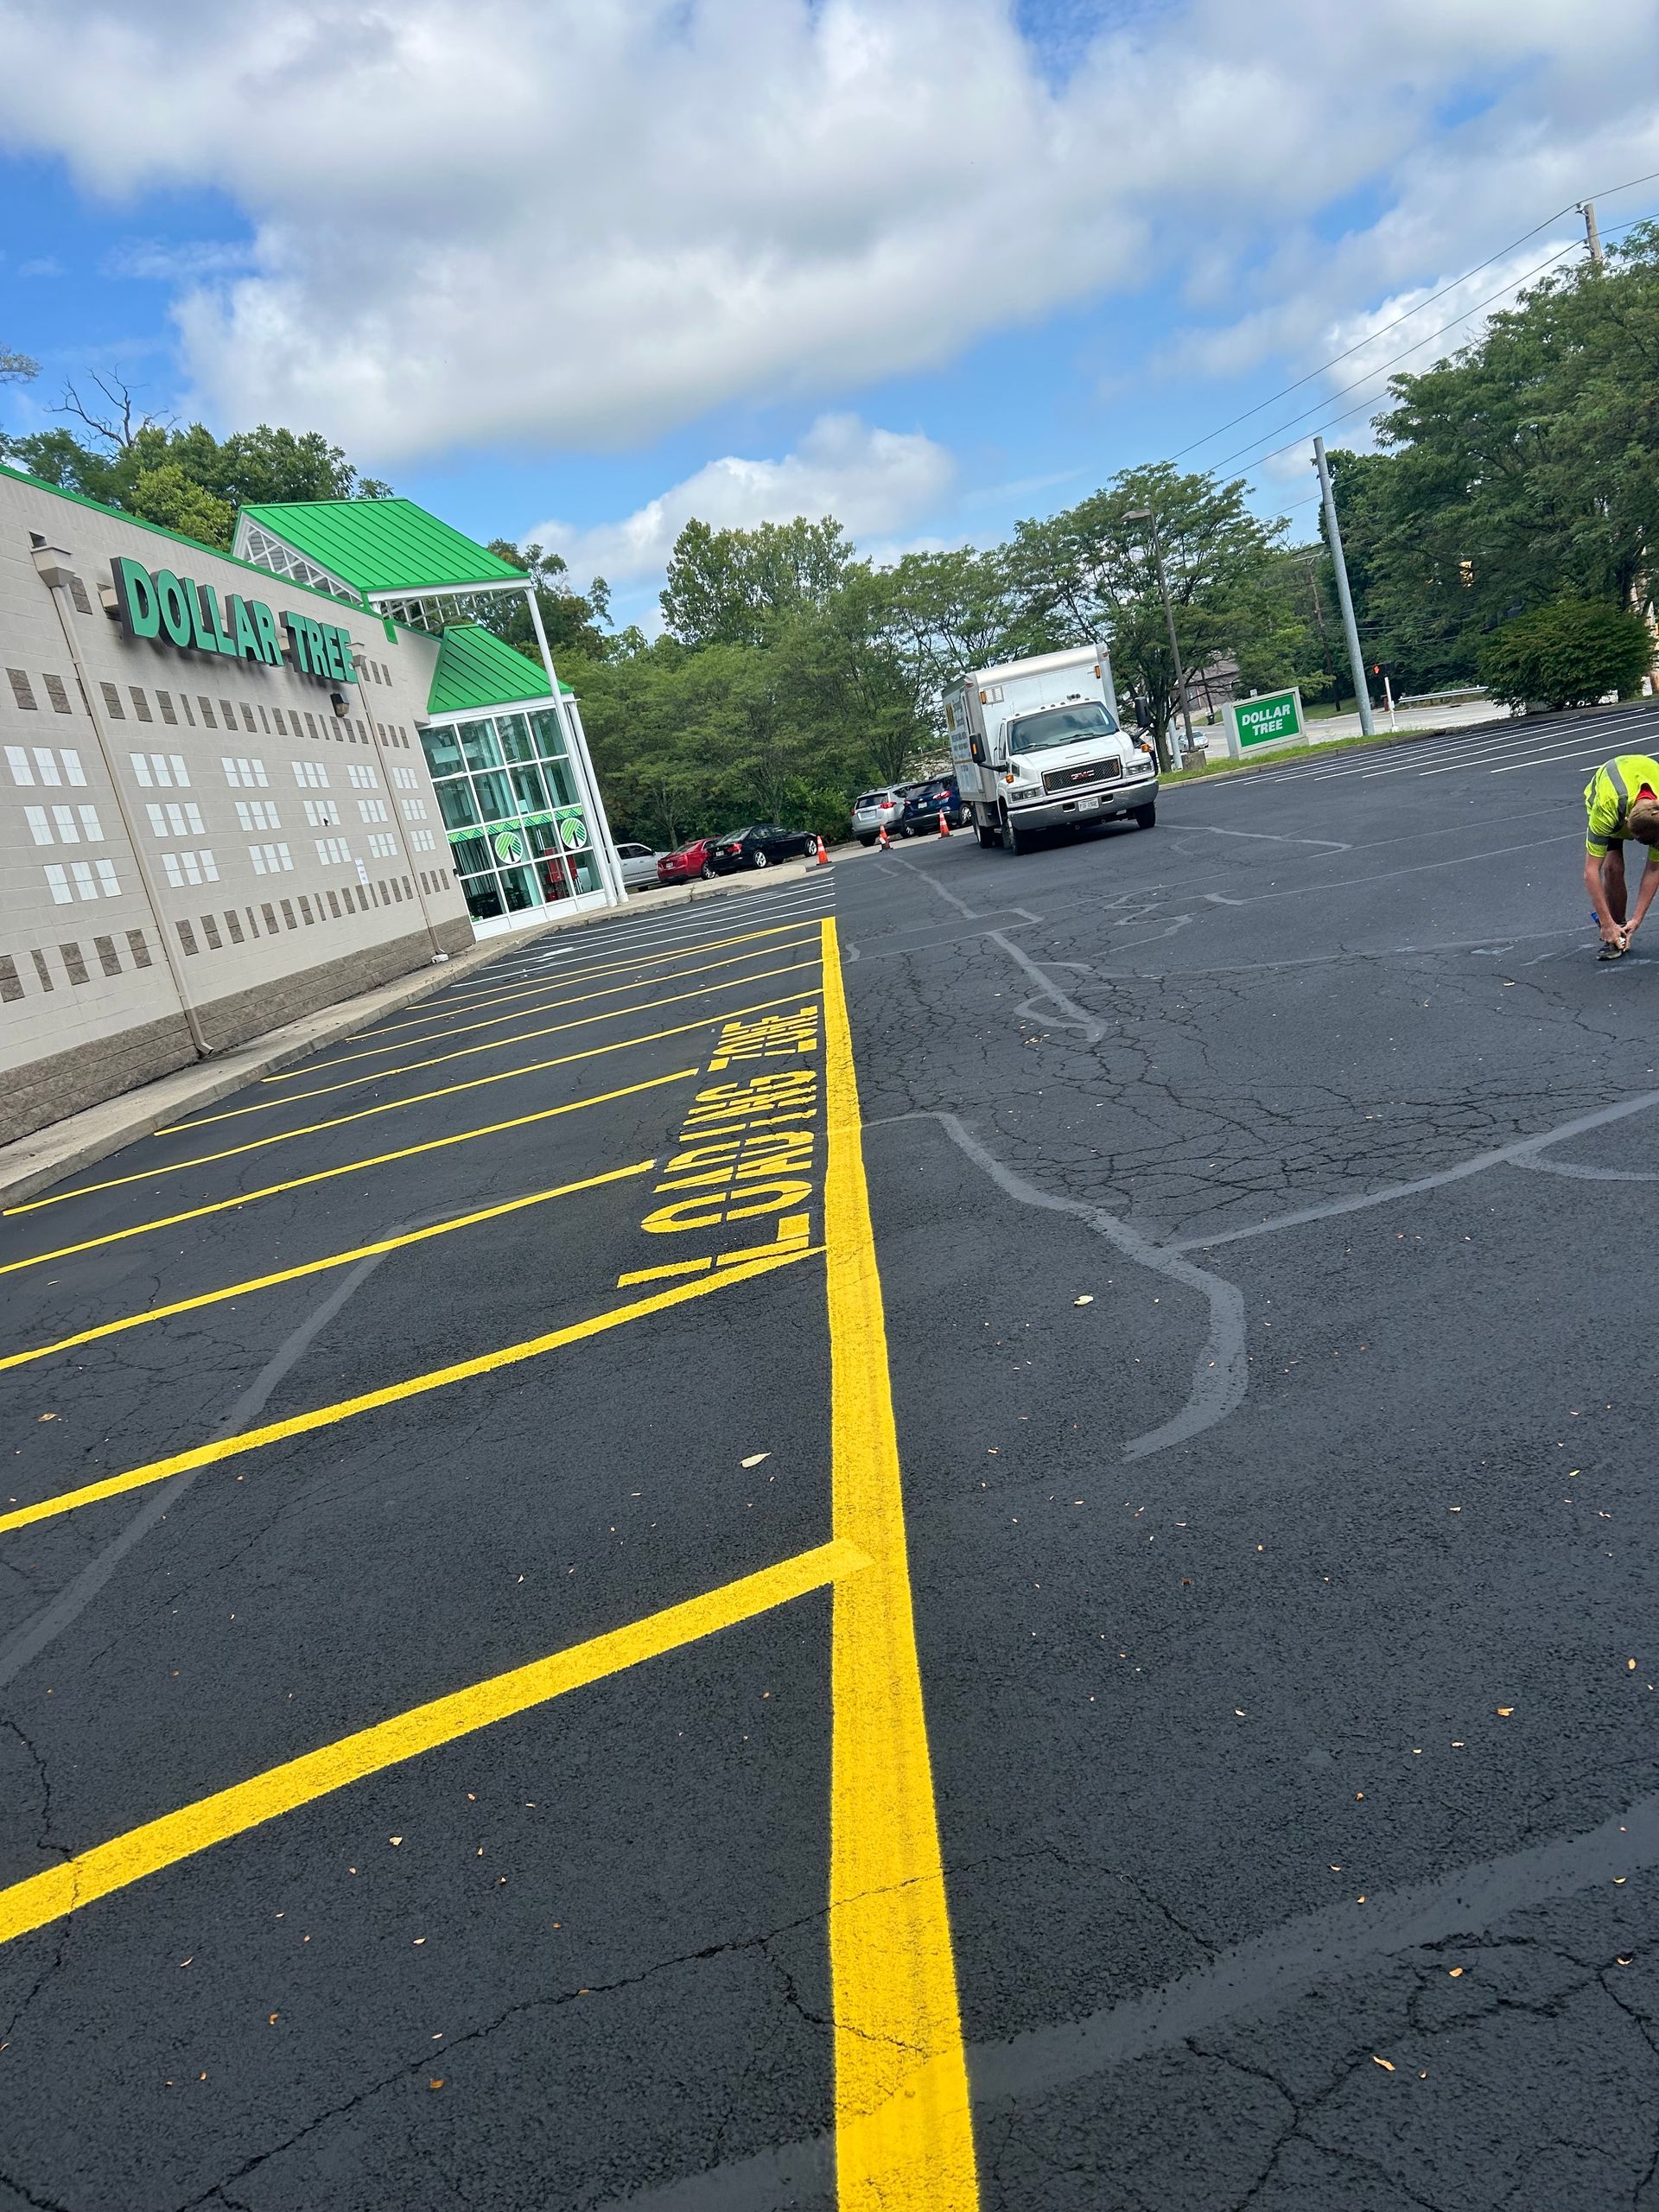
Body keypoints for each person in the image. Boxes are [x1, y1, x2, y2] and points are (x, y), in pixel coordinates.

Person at [1583, 752, 1659, 959]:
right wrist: (1607, 924)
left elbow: (1654, 869)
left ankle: (1626, 928)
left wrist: (1638, 919)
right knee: (1613, 868)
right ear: (1626, 822)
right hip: (1610, 793)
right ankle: (1615, 931)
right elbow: (1591, 872)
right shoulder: (1607, 808)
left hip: (1643, 792)